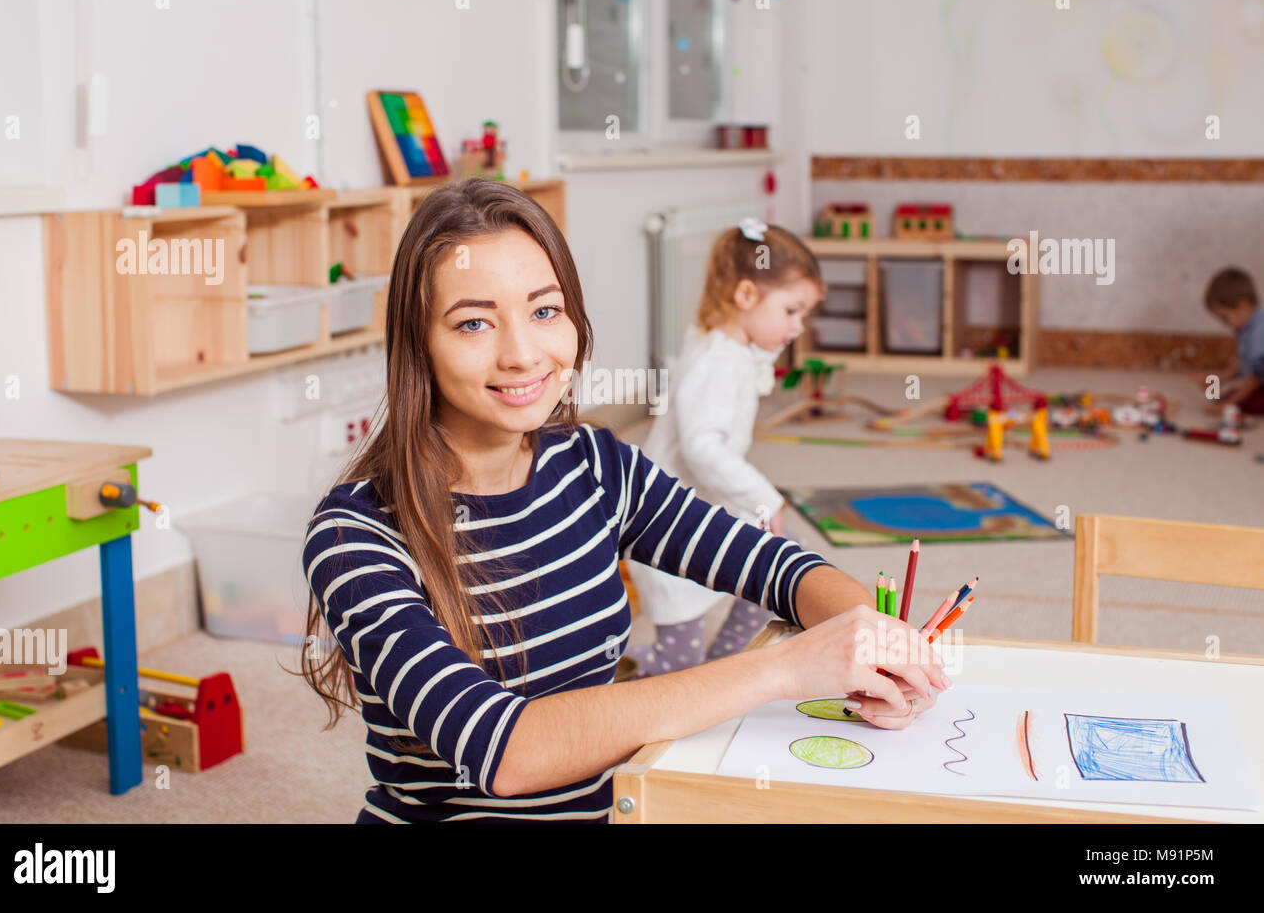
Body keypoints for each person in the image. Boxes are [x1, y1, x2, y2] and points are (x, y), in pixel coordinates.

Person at [299, 179, 948, 823]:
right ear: (419, 342)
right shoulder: (355, 535)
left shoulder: (596, 466)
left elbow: (778, 568)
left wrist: (871, 644)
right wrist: (785, 669)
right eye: (473, 322)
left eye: (545, 311)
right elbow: (505, 751)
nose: (524, 354)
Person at [624, 218, 825, 675]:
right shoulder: (718, 360)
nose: (798, 327)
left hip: (703, 508)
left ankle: (725, 662)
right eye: (792, 311)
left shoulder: (729, 346)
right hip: (666, 526)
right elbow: (702, 448)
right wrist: (762, 496)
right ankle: (641, 676)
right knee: (680, 659)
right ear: (747, 296)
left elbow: (756, 361)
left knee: (776, 561)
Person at [1204, 267, 1264, 415]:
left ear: (1244, 305)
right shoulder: (1246, 328)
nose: (1224, 324)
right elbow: (1246, 364)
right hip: (1257, 380)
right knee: (1232, 394)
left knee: (1245, 401)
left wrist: (1228, 404)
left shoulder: (1259, 331)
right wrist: (1220, 378)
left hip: (1259, 381)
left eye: (1225, 318)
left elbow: (1257, 377)